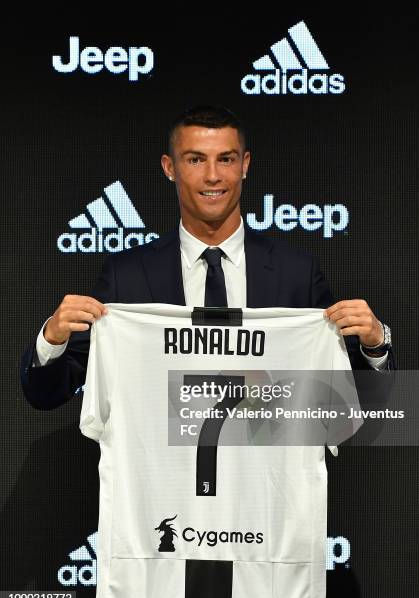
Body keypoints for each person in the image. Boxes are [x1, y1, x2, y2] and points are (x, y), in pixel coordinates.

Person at [20, 104, 394, 411]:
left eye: (226, 159)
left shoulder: (296, 273)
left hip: (266, 488)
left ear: (245, 165)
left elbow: (362, 406)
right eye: (196, 160)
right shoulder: (126, 276)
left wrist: (375, 346)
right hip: (165, 492)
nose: (213, 176)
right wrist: (51, 341)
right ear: (170, 168)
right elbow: (46, 396)